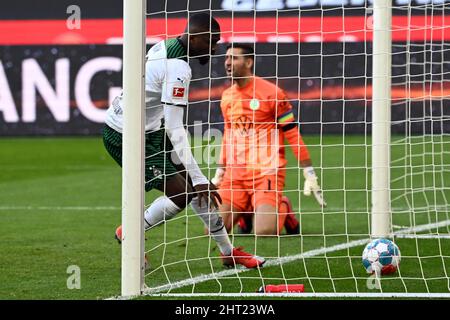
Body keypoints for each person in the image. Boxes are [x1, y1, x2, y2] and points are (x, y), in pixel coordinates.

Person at [103, 14, 265, 269]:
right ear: (193, 37)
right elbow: (176, 127)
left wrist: (197, 177)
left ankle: (227, 251)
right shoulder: (178, 67)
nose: (214, 49)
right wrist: (201, 178)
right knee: (184, 193)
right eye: (210, 41)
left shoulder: (165, 45)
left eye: (217, 42)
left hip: (149, 129)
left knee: (196, 191)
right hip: (125, 135)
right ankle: (130, 233)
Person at [212, 43, 326, 236]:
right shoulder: (227, 96)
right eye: (226, 58)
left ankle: (283, 207)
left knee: (264, 231)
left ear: (249, 62)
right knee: (213, 230)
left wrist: (309, 172)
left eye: (234, 58)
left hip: (266, 172)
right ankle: (247, 212)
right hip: (235, 174)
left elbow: (291, 133)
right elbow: (228, 134)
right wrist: (220, 171)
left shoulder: (272, 94)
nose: (228, 63)